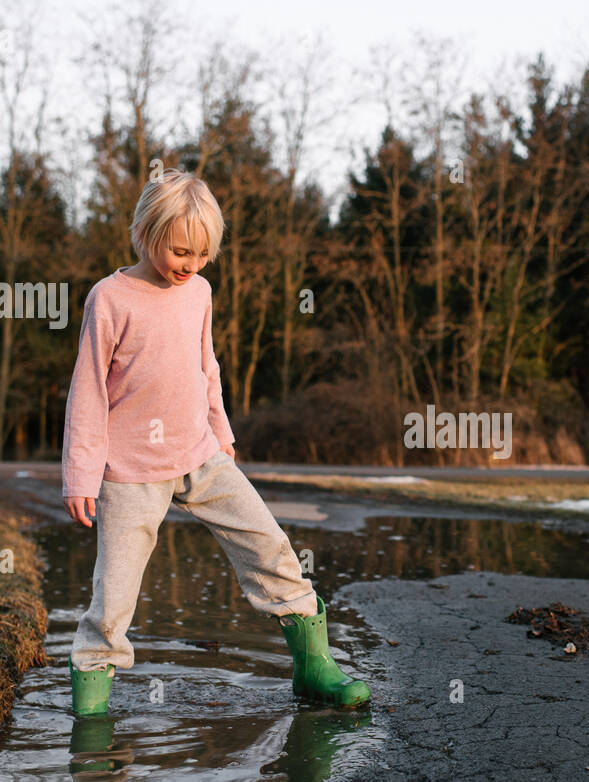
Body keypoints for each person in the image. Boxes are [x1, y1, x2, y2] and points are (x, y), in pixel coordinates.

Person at [60, 168, 369, 716]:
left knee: (269, 544)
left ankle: (314, 669)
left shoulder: (199, 292)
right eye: (181, 251)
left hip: (201, 453)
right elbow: (87, 391)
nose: (192, 266)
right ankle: (90, 707)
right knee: (114, 593)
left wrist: (222, 431)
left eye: (203, 255)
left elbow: (207, 366)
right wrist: (81, 474)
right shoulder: (109, 299)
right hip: (130, 469)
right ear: (146, 231)